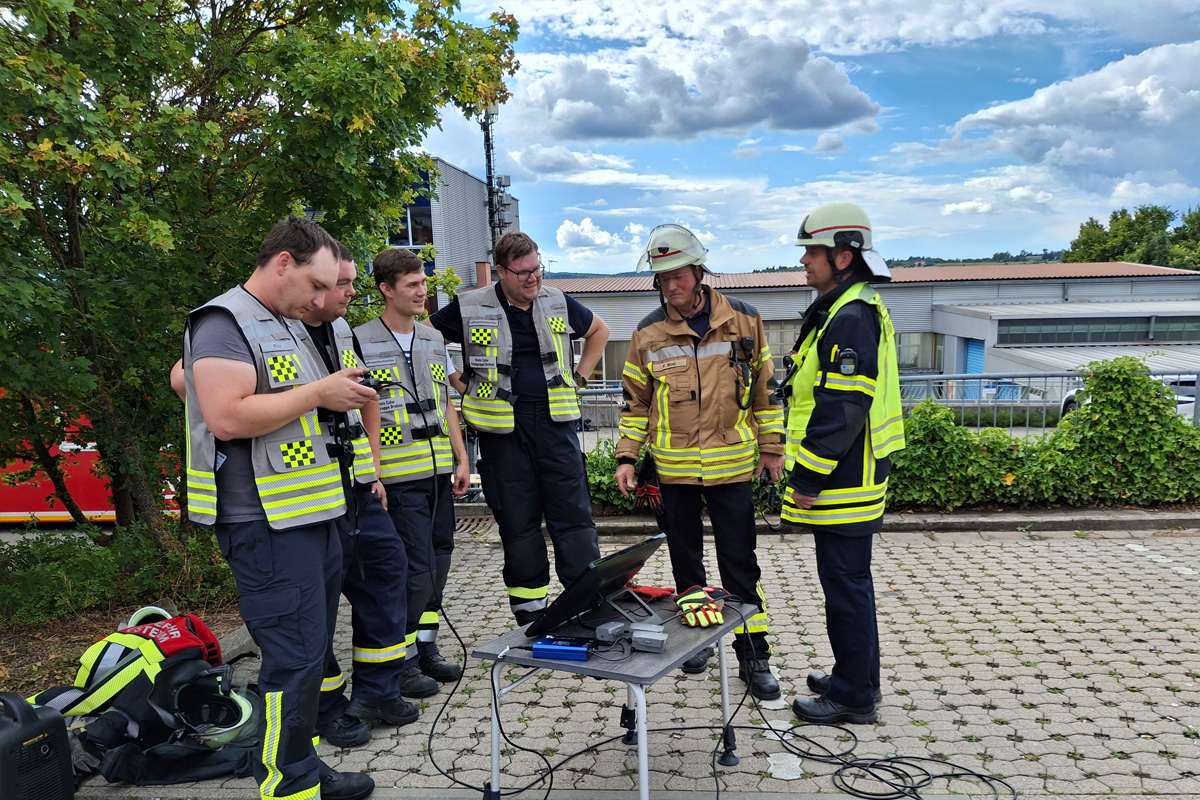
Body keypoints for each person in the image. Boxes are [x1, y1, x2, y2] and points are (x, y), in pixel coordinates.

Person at [180, 216, 376, 800]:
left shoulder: (284, 322)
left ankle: (301, 766)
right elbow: (226, 416)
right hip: (264, 523)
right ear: (284, 262)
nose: (320, 300)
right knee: (292, 660)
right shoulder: (224, 321)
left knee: (309, 656)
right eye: (316, 285)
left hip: (310, 514)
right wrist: (319, 392)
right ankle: (286, 784)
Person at [613, 224, 786, 700]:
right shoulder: (647, 333)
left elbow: (766, 390)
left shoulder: (745, 320)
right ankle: (698, 640)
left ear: (699, 272)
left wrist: (772, 447)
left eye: (679, 275)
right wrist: (627, 457)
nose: (671, 285)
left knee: (740, 563)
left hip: (733, 466)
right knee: (686, 564)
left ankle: (754, 652)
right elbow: (635, 405)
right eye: (663, 278)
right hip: (674, 470)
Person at [429, 231, 608, 626]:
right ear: (501, 271)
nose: (533, 279)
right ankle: (530, 614)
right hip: (502, 435)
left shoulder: (557, 300)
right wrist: (460, 382)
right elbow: (426, 339)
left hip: (556, 426)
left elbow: (600, 331)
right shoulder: (470, 305)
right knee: (518, 523)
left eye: (537, 269)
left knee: (574, 519)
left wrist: (578, 379)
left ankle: (586, 604)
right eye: (524, 272)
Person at [780, 203, 905, 725]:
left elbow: (843, 408)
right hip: (852, 471)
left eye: (812, 251)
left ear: (844, 256)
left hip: (843, 478)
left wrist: (807, 478)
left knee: (846, 589)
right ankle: (857, 679)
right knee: (851, 585)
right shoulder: (848, 307)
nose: (804, 261)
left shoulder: (850, 317)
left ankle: (852, 696)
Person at [306, 243, 422, 743]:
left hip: (356, 487)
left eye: (352, 281)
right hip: (305, 494)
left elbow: (367, 396)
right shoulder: (266, 330)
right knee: (315, 603)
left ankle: (377, 691)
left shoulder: (339, 331)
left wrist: (372, 468)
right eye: (342, 283)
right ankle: (325, 706)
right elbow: (188, 377)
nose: (352, 292)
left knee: (386, 572)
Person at [354, 247, 470, 697]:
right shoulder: (359, 341)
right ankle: (398, 661)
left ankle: (425, 648)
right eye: (413, 285)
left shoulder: (433, 339)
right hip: (398, 478)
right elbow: (361, 413)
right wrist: (374, 473)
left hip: (439, 472)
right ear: (386, 289)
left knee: (438, 562)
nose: (423, 292)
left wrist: (461, 459)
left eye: (424, 283)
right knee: (413, 570)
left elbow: (446, 403)